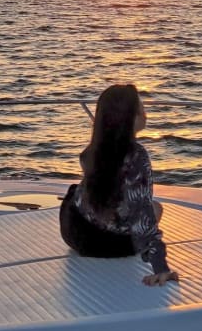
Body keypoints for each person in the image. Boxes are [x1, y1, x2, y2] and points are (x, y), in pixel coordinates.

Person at [59, 83, 179, 286]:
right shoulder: (137, 157)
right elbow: (142, 215)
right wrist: (160, 267)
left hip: (72, 229)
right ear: (132, 118)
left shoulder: (94, 148)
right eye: (141, 108)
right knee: (155, 208)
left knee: (80, 191)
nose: (145, 112)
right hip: (105, 245)